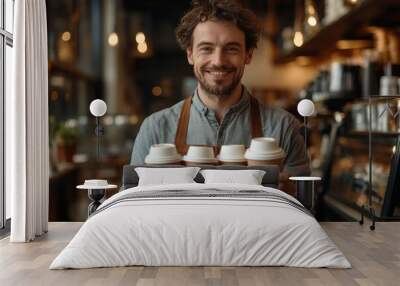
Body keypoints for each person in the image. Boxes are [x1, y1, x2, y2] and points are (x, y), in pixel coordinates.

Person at [131, 0, 310, 191]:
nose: (218, 61)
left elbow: (305, 207)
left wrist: (288, 190)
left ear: (248, 55)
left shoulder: (284, 128)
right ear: (190, 54)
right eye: (206, 48)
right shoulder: (155, 129)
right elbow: (130, 208)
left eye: (231, 48)